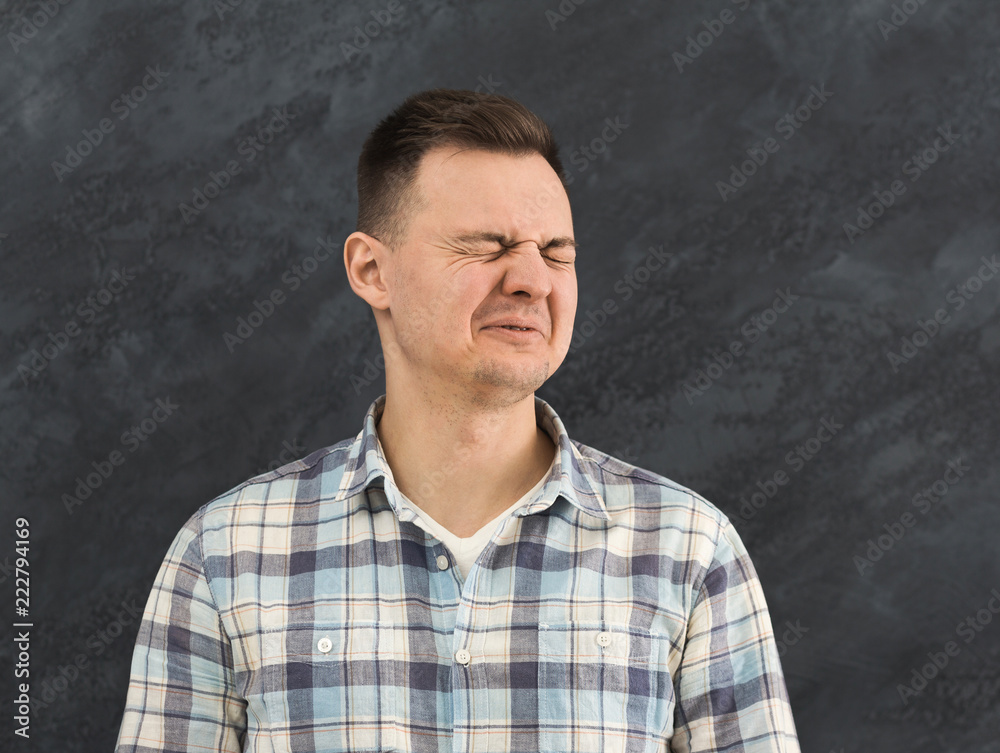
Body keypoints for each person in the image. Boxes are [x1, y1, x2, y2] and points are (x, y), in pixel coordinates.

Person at [114, 88, 800, 752]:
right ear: (371, 269)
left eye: (556, 251)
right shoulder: (226, 553)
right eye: (486, 245)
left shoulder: (689, 550)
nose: (533, 280)